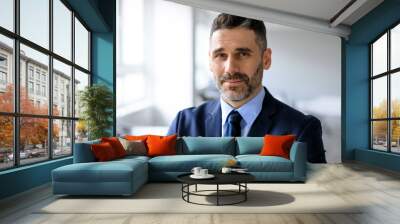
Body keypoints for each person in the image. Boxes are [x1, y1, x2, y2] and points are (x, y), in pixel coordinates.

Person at [167, 13, 326, 163]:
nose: (230, 68)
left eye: (242, 54)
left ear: (266, 59)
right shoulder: (184, 124)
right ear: (210, 61)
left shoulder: (300, 130)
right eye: (221, 55)